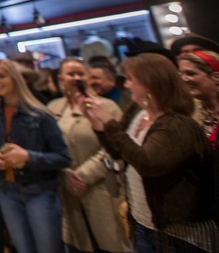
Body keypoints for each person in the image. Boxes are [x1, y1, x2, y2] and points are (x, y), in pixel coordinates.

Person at [81, 52, 219, 253]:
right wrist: (99, 127)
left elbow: (148, 164)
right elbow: (120, 153)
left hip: (179, 232)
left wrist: (110, 123)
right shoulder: (138, 113)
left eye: (131, 80)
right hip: (143, 221)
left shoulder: (177, 124)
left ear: (150, 83)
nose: (126, 85)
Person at [0, 59, 71, 253]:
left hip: (39, 191)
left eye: (1, 76)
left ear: (14, 77)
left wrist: (28, 157)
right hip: (7, 190)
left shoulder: (40, 114)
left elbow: (63, 157)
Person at [47, 58, 128, 253]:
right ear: (61, 78)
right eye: (71, 74)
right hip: (67, 191)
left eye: (80, 74)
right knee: (79, 243)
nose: (76, 78)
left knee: (111, 242)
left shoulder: (106, 106)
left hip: (102, 186)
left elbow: (116, 146)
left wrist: (84, 175)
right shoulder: (53, 108)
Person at [177, 50, 219, 149]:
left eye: (190, 74)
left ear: (216, 77)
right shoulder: (189, 112)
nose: (184, 79)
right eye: (181, 75)